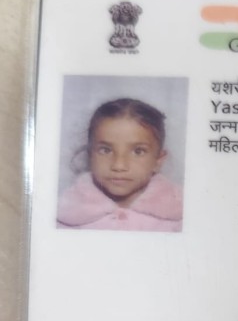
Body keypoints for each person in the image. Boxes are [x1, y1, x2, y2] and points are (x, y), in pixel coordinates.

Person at [57, 98, 183, 231]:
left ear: (158, 160)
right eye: (105, 150)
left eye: (138, 151)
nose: (119, 166)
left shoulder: (181, 218)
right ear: (90, 156)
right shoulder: (64, 217)